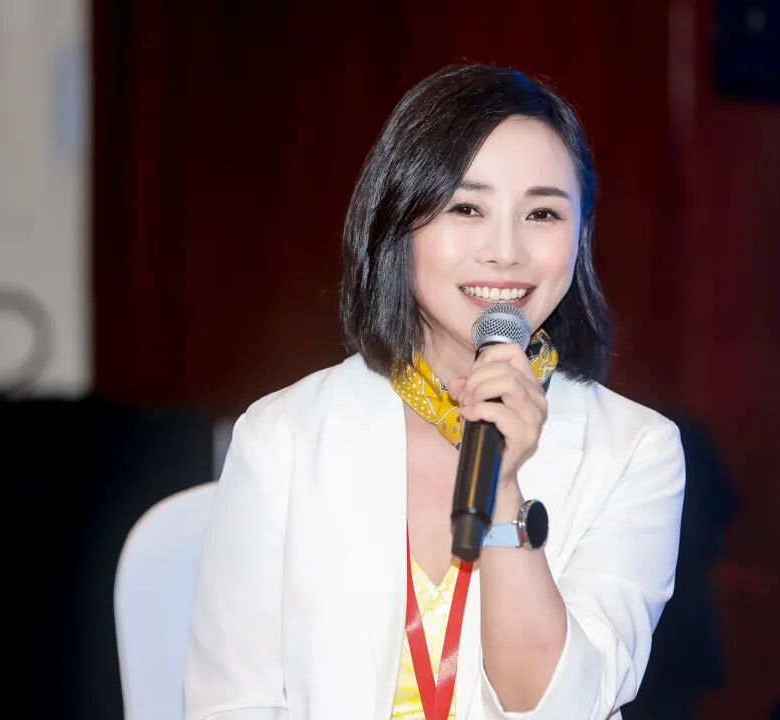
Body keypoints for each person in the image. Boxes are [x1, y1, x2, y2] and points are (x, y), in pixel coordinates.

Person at [184, 63, 686, 720]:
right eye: (467, 208)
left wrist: (503, 490)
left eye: (541, 213)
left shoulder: (636, 451)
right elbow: (231, 704)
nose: (505, 251)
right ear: (399, 220)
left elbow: (559, 708)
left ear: (581, 236)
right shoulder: (283, 437)